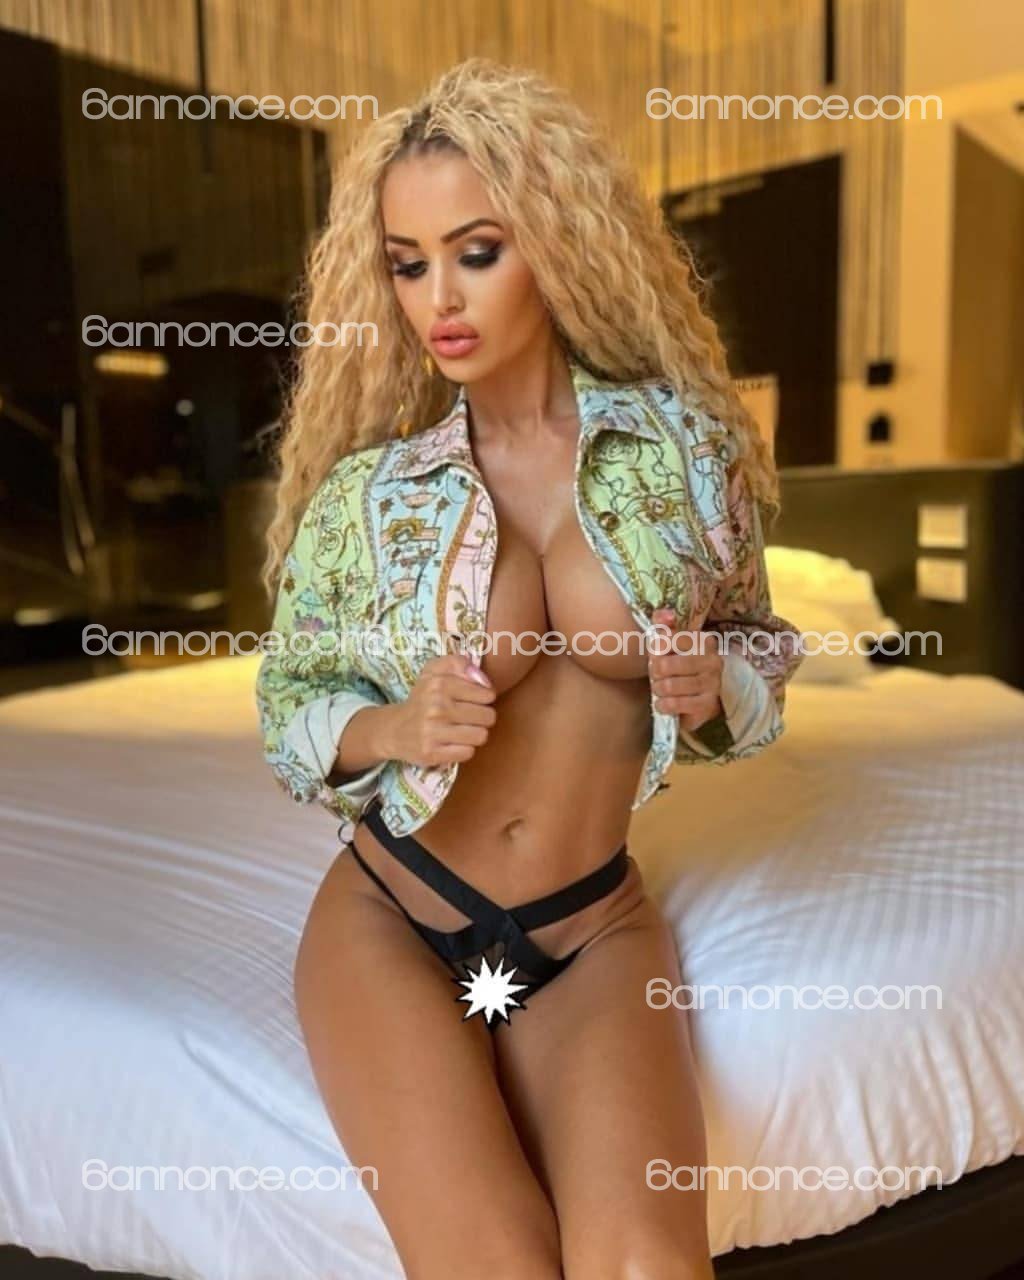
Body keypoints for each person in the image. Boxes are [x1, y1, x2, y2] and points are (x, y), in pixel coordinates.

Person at [256, 57, 803, 1280]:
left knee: (648, 1265)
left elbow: (758, 647)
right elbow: (285, 704)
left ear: (554, 243)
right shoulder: (368, 495)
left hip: (590, 930)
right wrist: (392, 727)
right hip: (392, 918)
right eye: (408, 264)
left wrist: (713, 688)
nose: (439, 297)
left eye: (477, 251)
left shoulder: (687, 451)